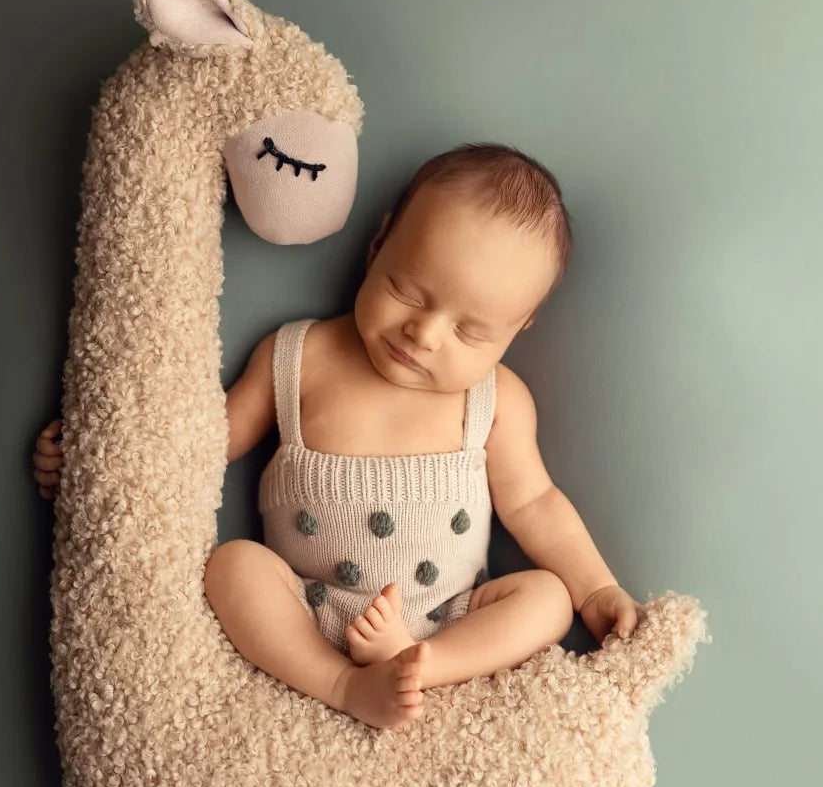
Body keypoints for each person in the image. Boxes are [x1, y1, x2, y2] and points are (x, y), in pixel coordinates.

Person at [33, 143, 644, 730]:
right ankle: (341, 684)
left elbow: (535, 504)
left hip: (446, 619)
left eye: (470, 332)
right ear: (379, 246)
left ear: (519, 328)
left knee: (546, 600)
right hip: (308, 610)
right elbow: (200, 447)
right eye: (406, 290)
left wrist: (595, 589)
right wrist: (100, 464)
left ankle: (419, 668)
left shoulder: (496, 400)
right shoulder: (299, 357)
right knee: (233, 565)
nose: (424, 334)